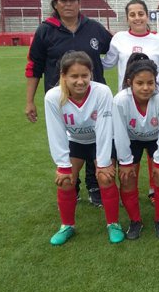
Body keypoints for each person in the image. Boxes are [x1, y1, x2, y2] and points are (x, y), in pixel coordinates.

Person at [25, 0, 112, 207]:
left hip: (93, 98)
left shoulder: (93, 27)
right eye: (63, 0)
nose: (68, 4)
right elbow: (34, 65)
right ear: (55, 4)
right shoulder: (45, 30)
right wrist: (29, 101)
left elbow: (115, 49)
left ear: (79, 3)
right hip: (61, 101)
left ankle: (95, 186)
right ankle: (71, 184)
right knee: (66, 139)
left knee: (96, 137)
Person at [44, 51, 123, 245]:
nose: (80, 81)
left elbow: (105, 128)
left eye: (84, 76)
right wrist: (63, 166)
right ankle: (67, 226)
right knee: (66, 181)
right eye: (74, 76)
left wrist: (103, 163)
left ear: (91, 75)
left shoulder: (102, 92)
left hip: (100, 140)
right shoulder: (53, 97)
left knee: (105, 177)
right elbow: (57, 133)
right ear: (63, 76)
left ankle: (113, 223)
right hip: (76, 142)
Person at [103, 0, 159, 205]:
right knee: (129, 145)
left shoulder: (158, 42)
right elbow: (106, 63)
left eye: (141, 13)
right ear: (127, 18)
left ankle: (152, 189)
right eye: (132, 14)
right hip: (127, 103)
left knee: (153, 144)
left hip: (153, 100)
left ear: (147, 16)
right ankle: (129, 187)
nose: (137, 17)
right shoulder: (119, 39)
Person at [112, 53, 159, 239]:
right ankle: (135, 221)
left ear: (156, 82)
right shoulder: (120, 100)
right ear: (130, 82)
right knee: (127, 178)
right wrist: (125, 161)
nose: (146, 88)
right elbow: (119, 133)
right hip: (131, 140)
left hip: (156, 139)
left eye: (150, 83)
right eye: (140, 83)